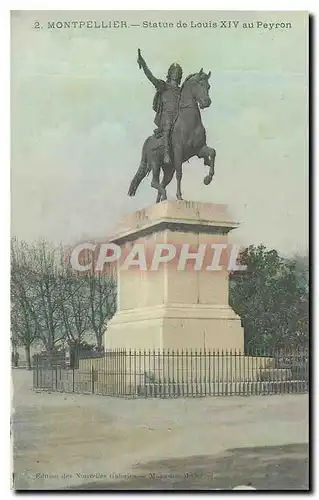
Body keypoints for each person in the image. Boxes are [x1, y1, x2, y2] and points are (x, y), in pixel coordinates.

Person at [137, 49, 183, 164]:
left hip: (178, 117)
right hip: (166, 117)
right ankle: (166, 154)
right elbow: (151, 77)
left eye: (178, 73)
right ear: (170, 74)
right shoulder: (163, 85)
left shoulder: (181, 90)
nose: (175, 75)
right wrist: (144, 65)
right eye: (174, 72)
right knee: (168, 125)